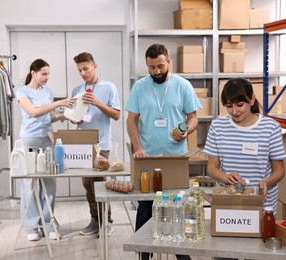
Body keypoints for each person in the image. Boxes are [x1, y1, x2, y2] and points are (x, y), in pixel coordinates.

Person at [125, 43, 201, 260]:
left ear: (169, 61)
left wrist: (185, 131)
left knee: (177, 208)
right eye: (151, 68)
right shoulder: (139, 87)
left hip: (175, 159)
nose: (157, 72)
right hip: (147, 158)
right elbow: (131, 121)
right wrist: (137, 147)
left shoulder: (183, 86)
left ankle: (182, 255)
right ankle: (144, 255)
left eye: (160, 66)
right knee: (146, 208)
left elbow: (193, 118)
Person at [204, 78, 286, 215]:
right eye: (229, 106)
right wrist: (226, 177)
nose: (234, 111)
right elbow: (212, 169)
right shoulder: (217, 126)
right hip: (228, 202)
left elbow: (279, 170)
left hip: (262, 203)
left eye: (240, 105)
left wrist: (266, 183)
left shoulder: (270, 127)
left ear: (252, 100)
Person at [16, 58, 73, 241]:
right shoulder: (22, 91)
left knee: (49, 184)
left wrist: (63, 115)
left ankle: (49, 223)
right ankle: (32, 226)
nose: (47, 77)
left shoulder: (47, 92)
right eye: (44, 74)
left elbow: (49, 117)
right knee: (30, 185)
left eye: (48, 74)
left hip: (48, 139)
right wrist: (59, 103)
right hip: (30, 140)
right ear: (33, 73)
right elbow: (33, 112)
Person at [70, 52, 121, 236]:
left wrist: (97, 103)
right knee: (87, 186)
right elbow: (75, 116)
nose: (83, 73)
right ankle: (94, 220)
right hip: (82, 145)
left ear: (95, 66)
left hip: (102, 145)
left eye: (86, 68)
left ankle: (106, 222)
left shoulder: (109, 87)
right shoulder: (77, 90)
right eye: (79, 70)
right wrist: (75, 119)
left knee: (99, 185)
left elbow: (116, 115)